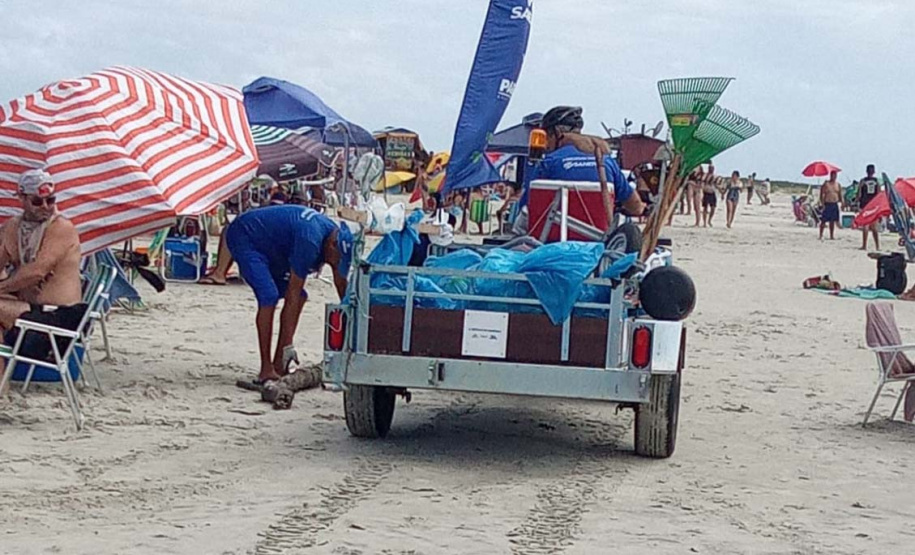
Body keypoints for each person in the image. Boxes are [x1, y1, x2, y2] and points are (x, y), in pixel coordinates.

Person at [224, 205, 353, 384]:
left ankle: (279, 363)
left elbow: (340, 282)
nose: (334, 264)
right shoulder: (310, 240)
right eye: (335, 260)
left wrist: (353, 317)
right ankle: (266, 368)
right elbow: (292, 294)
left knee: (301, 297)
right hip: (246, 236)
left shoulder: (333, 235)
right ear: (331, 246)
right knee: (269, 295)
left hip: (275, 247)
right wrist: (289, 346)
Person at [0, 169, 82, 392]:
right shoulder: (13, 227)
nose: (46, 206)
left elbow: (36, 272)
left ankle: (2, 386)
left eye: (51, 200)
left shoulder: (61, 228)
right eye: (38, 201)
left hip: (59, 318)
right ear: (21, 199)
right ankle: (2, 388)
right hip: (32, 312)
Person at [516, 106, 645, 229]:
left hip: (553, 240)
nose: (547, 144)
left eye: (547, 137)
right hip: (598, 242)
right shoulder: (607, 162)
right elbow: (636, 207)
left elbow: (526, 207)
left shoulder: (548, 162)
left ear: (557, 133)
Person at [858, 164, 881, 250]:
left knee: (865, 224)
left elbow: (859, 194)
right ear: (874, 171)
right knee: (874, 226)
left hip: (864, 204)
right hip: (873, 204)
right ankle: (877, 246)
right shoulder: (876, 181)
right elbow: (879, 194)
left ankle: (864, 245)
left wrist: (857, 201)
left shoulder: (863, 181)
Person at [819, 170, 842, 240]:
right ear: (830, 175)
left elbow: (840, 194)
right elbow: (822, 194)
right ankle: (821, 235)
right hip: (827, 204)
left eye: (835, 175)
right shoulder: (826, 184)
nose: (834, 177)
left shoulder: (838, 184)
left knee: (833, 221)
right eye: (832, 175)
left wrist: (842, 203)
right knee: (823, 220)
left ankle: (831, 235)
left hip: (834, 204)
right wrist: (822, 204)